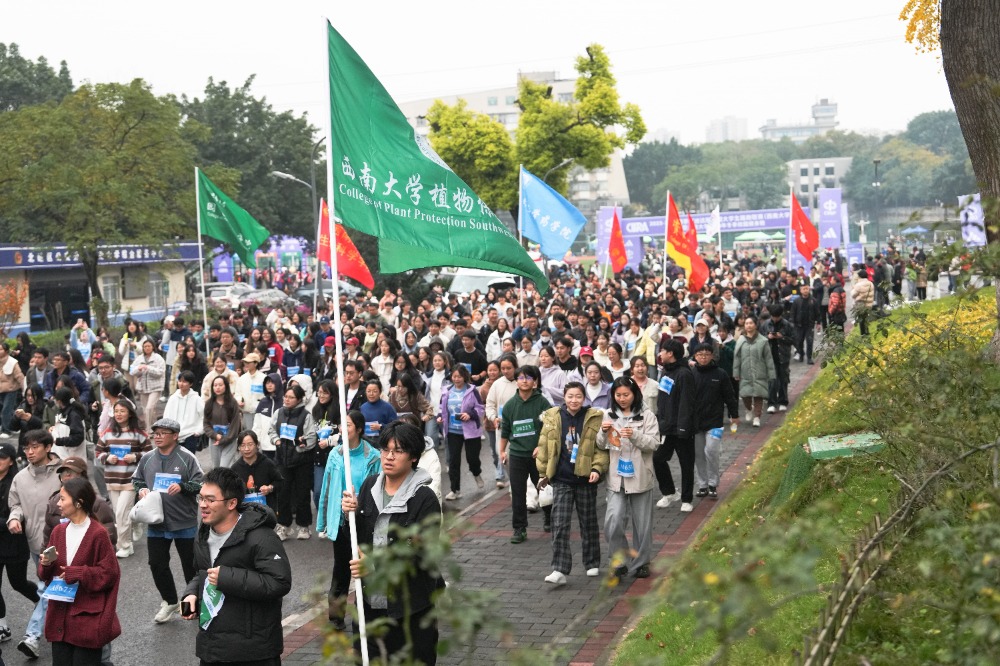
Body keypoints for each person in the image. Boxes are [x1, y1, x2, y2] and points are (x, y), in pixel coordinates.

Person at [341, 421, 444, 665]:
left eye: (398, 451)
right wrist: (349, 515)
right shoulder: (369, 486)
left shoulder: (424, 499)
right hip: (370, 605)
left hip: (411, 608)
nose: (389, 457)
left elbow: (421, 555)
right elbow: (356, 540)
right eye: (385, 450)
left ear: (413, 457)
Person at [181, 467, 292, 666]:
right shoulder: (203, 534)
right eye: (201, 498)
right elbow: (203, 573)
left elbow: (279, 582)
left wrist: (226, 577)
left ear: (232, 503)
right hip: (212, 648)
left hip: (253, 651)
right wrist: (192, 594)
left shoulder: (262, 537)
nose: (203, 505)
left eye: (210, 500)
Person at [39, 477, 121, 665]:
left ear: (78, 503)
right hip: (59, 616)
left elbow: (109, 574)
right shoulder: (58, 532)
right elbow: (44, 575)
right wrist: (46, 564)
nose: (58, 504)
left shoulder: (98, 533)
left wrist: (79, 573)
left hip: (87, 619)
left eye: (62, 499)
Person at [132, 417, 204, 624]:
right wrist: (141, 489)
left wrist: (183, 487)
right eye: (156, 433)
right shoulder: (147, 458)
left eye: (163, 433)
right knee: (157, 564)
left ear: (175, 436)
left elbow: (200, 483)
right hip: (156, 521)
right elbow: (137, 480)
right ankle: (170, 601)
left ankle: (193, 605)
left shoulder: (187, 457)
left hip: (184, 521)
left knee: (190, 566)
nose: (158, 437)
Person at [536, 382, 608, 585]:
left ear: (584, 398)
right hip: (561, 478)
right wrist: (542, 473)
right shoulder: (553, 416)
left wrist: (597, 469)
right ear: (564, 397)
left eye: (578, 396)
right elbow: (544, 446)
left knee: (588, 522)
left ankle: (592, 562)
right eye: (570, 396)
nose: (574, 400)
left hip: (585, 479)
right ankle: (559, 569)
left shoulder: (594, 417)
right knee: (559, 524)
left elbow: (601, 449)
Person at [316, 411, 381, 629]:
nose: (343, 429)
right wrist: (323, 521)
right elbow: (326, 488)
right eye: (342, 425)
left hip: (365, 522)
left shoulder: (373, 457)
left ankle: (367, 614)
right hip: (341, 520)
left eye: (349, 425)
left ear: (359, 429)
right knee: (341, 570)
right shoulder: (335, 455)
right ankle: (336, 617)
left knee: (366, 567)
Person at [597, 376, 661, 579]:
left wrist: (634, 435)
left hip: (640, 476)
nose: (622, 399)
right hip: (616, 477)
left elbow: (654, 443)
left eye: (626, 394)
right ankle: (619, 560)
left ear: (635, 394)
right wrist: (602, 432)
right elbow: (600, 444)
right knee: (613, 520)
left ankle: (642, 563)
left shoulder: (647, 415)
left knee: (642, 525)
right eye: (618, 395)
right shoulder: (608, 415)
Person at [7, 429, 61, 660]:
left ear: (48, 447)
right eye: (26, 447)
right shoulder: (20, 478)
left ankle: (32, 636)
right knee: (50, 588)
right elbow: (15, 504)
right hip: (35, 543)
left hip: (63, 542)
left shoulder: (63, 472)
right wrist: (14, 518)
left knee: (48, 588)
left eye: (35, 447)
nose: (29, 452)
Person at [499, 365, 552, 542]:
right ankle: (519, 529)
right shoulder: (510, 406)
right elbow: (505, 430)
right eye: (521, 378)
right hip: (517, 455)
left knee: (544, 489)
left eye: (528, 377)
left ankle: (549, 516)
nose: (524, 381)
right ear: (516, 381)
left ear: (534, 381)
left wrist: (542, 446)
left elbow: (550, 428)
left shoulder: (542, 403)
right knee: (518, 493)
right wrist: (502, 451)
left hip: (538, 456)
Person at [95, 398, 149, 558]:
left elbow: (149, 453)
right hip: (112, 480)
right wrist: (107, 457)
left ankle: (124, 545)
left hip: (130, 480)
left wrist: (135, 456)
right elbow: (98, 452)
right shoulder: (107, 433)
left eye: (122, 411)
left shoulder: (138, 433)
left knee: (120, 514)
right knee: (121, 513)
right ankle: (135, 521)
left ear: (129, 413)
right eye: (116, 411)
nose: (119, 414)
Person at [690, 344, 740, 500]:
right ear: (695, 356)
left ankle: (713, 483)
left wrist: (734, 414)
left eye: (706, 354)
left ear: (712, 356)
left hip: (715, 421)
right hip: (696, 422)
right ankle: (703, 485)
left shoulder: (720, 374)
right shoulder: (691, 374)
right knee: (698, 454)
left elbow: (729, 395)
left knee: (711, 451)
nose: (703, 357)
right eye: (700, 354)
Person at [0, 443, 39, 646]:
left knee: (18, 583)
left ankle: (41, 601)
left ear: (11, 461)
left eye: (2, 457)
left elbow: (21, 513)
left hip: (14, 542)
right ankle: (2, 627)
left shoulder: (17, 482)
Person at [268, 385, 317, 541]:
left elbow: (311, 437)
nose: (287, 400)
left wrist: (300, 446)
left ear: (299, 399)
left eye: (291, 397)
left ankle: (304, 526)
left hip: (302, 461)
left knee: (302, 494)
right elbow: (271, 430)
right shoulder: (278, 413)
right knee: (282, 494)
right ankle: (284, 525)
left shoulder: (306, 415)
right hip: (282, 459)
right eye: (286, 396)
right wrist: (276, 440)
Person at [654, 339, 696, 512]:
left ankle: (687, 499)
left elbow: (687, 402)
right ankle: (669, 492)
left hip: (682, 428)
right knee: (657, 459)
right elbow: (663, 399)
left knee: (686, 464)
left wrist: (683, 428)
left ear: (670, 353)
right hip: (666, 427)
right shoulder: (665, 372)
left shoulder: (684, 374)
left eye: (663, 350)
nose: (660, 353)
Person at [42, 456, 117, 550]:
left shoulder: (98, 504)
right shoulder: (54, 503)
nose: (67, 477)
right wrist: (45, 555)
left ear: (83, 476)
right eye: (63, 474)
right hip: (61, 556)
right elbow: (47, 539)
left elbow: (109, 542)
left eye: (71, 473)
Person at [438, 364, 485, 500]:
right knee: (453, 461)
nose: (456, 379)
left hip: (471, 431)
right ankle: (455, 490)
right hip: (452, 431)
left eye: (459, 376)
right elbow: (441, 407)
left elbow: (480, 408)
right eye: (454, 376)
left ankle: (476, 473)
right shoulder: (446, 391)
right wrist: (440, 416)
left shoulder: (472, 390)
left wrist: (470, 414)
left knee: (472, 459)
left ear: (464, 377)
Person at [732, 316, 775, 428]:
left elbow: (768, 358)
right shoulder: (741, 340)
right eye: (746, 323)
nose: (749, 325)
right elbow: (737, 358)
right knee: (745, 395)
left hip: (759, 372)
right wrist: (736, 373)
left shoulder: (763, 341)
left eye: (751, 323)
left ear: (755, 325)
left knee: (758, 395)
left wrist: (771, 374)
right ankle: (748, 408)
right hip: (744, 372)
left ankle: (757, 417)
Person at [230, 430, 281, 514]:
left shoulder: (267, 463)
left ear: (257, 445)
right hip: (245, 512)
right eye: (242, 445)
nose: (246, 449)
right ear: (238, 447)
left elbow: (280, 482)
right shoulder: (235, 468)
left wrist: (270, 488)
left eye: (250, 444)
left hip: (267, 511)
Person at [760, 304, 795, 413]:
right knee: (772, 380)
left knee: (783, 379)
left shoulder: (787, 325)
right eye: (773, 316)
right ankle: (771, 403)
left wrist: (782, 337)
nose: (775, 319)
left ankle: (783, 401)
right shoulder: (765, 324)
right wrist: (767, 337)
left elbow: (793, 340)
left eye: (777, 316)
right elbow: (759, 340)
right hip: (770, 356)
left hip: (783, 356)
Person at [204, 376, 243, 470]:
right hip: (214, 440)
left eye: (220, 385)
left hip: (230, 440)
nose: (217, 387)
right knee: (216, 468)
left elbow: (235, 425)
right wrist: (216, 436)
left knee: (225, 467)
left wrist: (225, 439)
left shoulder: (232, 403)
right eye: (215, 385)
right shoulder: (209, 403)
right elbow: (206, 424)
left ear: (226, 386)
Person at [163, 370, 206, 455]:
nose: (181, 384)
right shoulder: (173, 398)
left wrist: (198, 431)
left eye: (185, 382)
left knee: (188, 459)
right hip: (173, 435)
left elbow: (204, 416)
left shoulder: (196, 399)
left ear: (191, 384)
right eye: (180, 381)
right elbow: (166, 416)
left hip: (190, 435)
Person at [131, 339, 166, 423]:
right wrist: (138, 369)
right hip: (142, 387)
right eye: (145, 346)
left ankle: (149, 429)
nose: (147, 348)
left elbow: (161, 372)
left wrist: (148, 368)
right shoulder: (139, 358)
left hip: (155, 387)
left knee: (149, 408)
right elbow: (132, 371)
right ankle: (153, 426)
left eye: (149, 346)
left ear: (153, 347)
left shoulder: (158, 358)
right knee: (146, 410)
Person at [50, 386, 87, 461]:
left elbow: (77, 437)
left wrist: (58, 441)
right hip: (63, 457)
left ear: (59, 401)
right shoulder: (64, 413)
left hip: (73, 459)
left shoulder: (74, 415)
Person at [0, 343, 24, 439]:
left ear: (6, 351)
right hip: (0, 390)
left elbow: (19, 376)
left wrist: (24, 389)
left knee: (6, 409)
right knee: (6, 410)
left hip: (11, 390)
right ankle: (14, 425)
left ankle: (6, 430)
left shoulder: (12, 362)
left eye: (1, 349)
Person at [851, 268, 875, 336]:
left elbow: (853, 294)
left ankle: (863, 334)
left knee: (861, 320)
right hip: (869, 304)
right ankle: (867, 332)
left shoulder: (858, 285)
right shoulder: (870, 283)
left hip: (860, 305)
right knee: (866, 319)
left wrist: (853, 288)